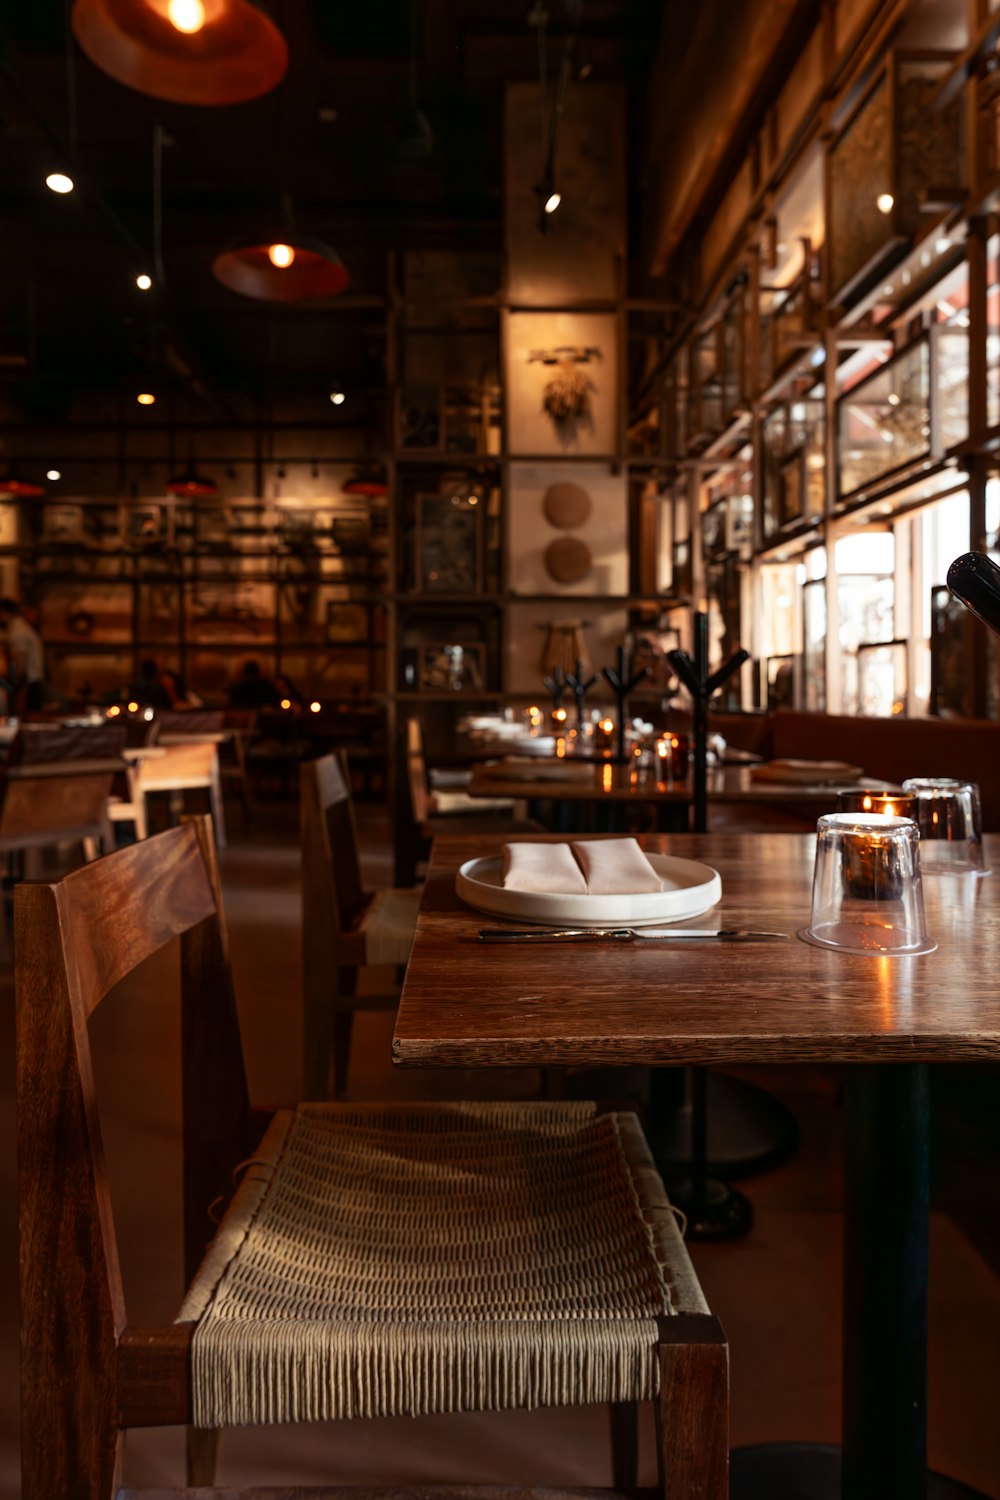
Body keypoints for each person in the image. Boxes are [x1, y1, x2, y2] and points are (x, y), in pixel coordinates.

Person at [0, 596, 46, 712]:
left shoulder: (17, 633)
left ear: (4, 612)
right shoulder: (24, 629)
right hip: (33, 683)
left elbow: (19, 667)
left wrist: (12, 689)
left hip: (28, 687)